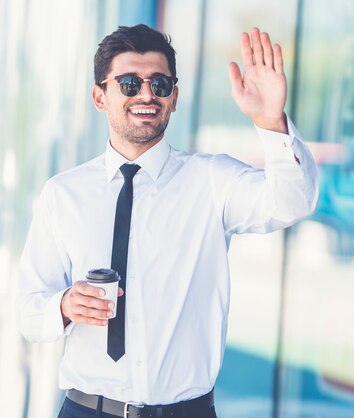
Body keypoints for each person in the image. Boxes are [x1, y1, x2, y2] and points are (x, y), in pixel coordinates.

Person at [18, 24, 318, 418]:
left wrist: (271, 124)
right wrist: (63, 305)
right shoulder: (63, 194)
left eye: (159, 84)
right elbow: (28, 311)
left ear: (173, 98)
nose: (146, 94)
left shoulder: (212, 181)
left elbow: (293, 202)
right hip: (87, 409)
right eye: (128, 83)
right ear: (99, 96)